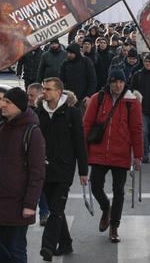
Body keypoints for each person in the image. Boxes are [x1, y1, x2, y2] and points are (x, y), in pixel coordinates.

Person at [0, 88, 46, 263]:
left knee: (15, 248)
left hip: (18, 202)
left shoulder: (32, 132)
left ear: (19, 106)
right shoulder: (0, 127)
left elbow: (37, 173)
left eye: (8, 102)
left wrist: (30, 204)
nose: (2, 105)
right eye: (3, 101)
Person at [83, 69, 143, 243]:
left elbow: (137, 129)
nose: (118, 85)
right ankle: (105, 208)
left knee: (119, 191)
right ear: (109, 82)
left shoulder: (132, 102)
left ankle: (114, 226)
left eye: (121, 82)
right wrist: (84, 151)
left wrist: (137, 155)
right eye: (115, 81)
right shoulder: (98, 98)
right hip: (99, 152)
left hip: (121, 153)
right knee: (95, 186)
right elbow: (86, 125)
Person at [36, 78, 88, 261]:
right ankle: (66, 242)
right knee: (54, 207)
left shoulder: (72, 113)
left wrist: (83, 171)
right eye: (44, 89)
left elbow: (79, 143)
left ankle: (47, 246)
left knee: (56, 209)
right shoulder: (38, 112)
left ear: (59, 92)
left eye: (49, 89)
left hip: (64, 169)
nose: (45, 92)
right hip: (44, 169)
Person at [59, 43, 97, 107]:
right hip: (68, 98)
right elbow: (61, 80)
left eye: (71, 53)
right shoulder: (65, 63)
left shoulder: (86, 61)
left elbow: (92, 80)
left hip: (83, 98)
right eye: (68, 53)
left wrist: (88, 95)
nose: (69, 55)